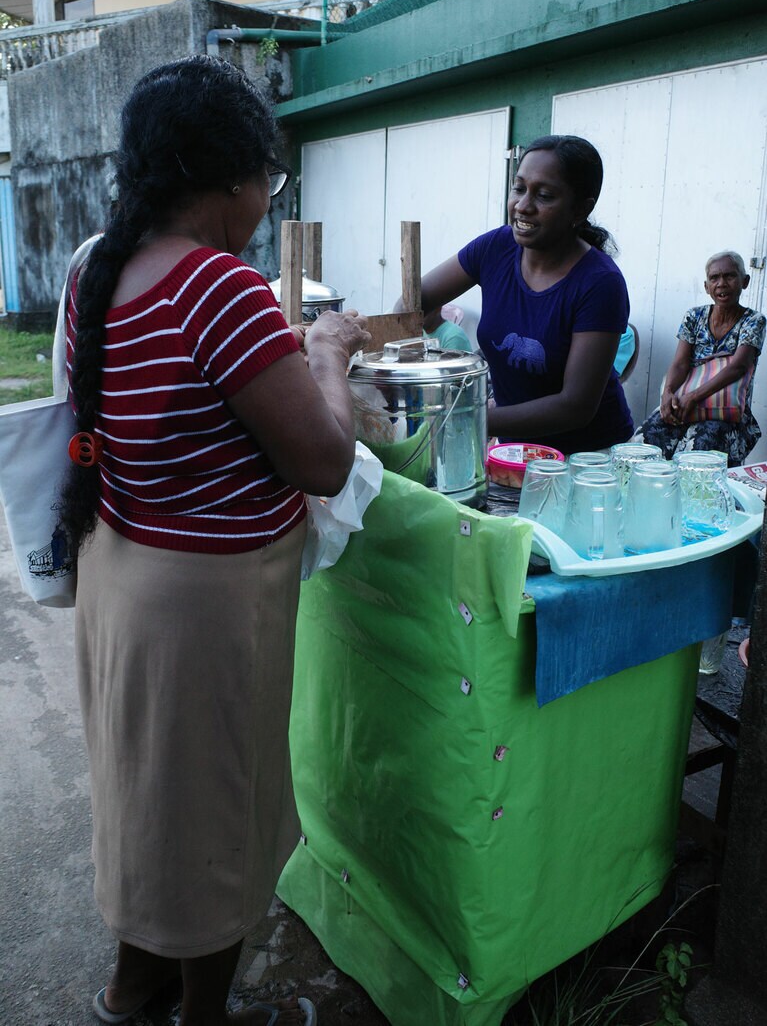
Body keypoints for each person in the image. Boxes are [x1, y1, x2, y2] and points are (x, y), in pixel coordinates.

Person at [59, 56, 370, 1026]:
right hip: (206, 603)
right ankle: (201, 1013)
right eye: (265, 179)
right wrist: (325, 353)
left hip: (123, 567)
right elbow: (322, 461)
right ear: (230, 176)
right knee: (215, 819)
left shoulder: (95, 269)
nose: (264, 201)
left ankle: (132, 989)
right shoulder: (217, 288)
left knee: (151, 802)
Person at [416, 134, 633, 454]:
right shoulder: (495, 248)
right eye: (519, 188)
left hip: (588, 459)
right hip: (515, 449)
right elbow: (414, 301)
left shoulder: (600, 284)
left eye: (544, 196)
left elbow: (575, 406)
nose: (522, 205)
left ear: (580, 209)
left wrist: (469, 416)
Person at [634, 250, 765, 466]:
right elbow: (680, 363)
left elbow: (739, 367)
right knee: (645, 443)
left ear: (745, 281)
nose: (721, 284)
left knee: (699, 454)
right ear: (706, 286)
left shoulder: (753, 321)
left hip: (724, 410)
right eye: (714, 278)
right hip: (685, 403)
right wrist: (667, 393)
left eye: (729, 276)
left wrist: (694, 397)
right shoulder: (694, 316)